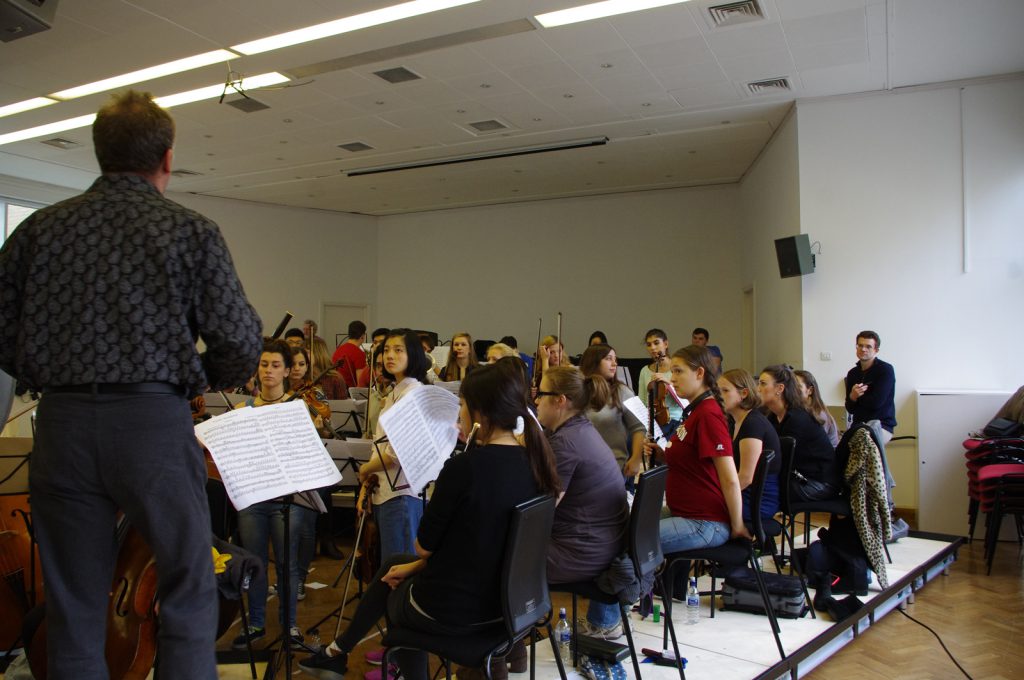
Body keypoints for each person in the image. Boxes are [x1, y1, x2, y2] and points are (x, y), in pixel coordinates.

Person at [0, 90, 262, 680]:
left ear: (99, 153)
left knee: (73, 601)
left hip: (63, 426)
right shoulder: (189, 232)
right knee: (190, 581)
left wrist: (44, 375)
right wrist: (194, 381)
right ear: (166, 159)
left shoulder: (41, 230)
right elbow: (240, 342)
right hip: (151, 426)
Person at [299, 359, 560, 680]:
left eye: (462, 405)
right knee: (396, 564)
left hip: (459, 611)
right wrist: (413, 567)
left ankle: (340, 653)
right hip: (511, 607)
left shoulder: (464, 468)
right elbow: (476, 546)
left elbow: (424, 547)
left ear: (480, 412)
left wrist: (420, 557)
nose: (458, 413)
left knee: (394, 593)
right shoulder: (536, 463)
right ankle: (336, 652)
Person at [234, 340, 318, 648]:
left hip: (287, 499)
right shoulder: (244, 409)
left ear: (286, 371)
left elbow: (306, 453)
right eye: (264, 365)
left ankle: (290, 626)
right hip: (253, 499)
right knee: (254, 562)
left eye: (275, 365)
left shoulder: (297, 408)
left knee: (287, 564)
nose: (268, 371)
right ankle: (256, 623)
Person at [537, 366, 629, 640]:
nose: (536, 401)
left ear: (560, 400)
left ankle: (505, 647)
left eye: (541, 394)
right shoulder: (580, 429)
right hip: (601, 543)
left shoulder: (565, 443)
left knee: (494, 556)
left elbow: (538, 514)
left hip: (585, 552)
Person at [646, 347, 750, 559]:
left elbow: (729, 478)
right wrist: (663, 456)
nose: (672, 378)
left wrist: (737, 525)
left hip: (704, 521)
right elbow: (693, 461)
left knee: (633, 540)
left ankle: (637, 590)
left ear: (700, 373)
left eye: (678, 371)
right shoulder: (696, 411)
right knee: (624, 528)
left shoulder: (708, 415)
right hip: (685, 510)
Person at [759, 365, 841, 503]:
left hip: (819, 484)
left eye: (763, 383)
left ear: (780, 389)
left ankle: (755, 523)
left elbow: (778, 459)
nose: (758, 388)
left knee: (761, 490)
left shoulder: (798, 418)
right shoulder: (773, 417)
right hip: (801, 478)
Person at [719, 369, 782, 521]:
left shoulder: (753, 423)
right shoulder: (735, 422)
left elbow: (746, 478)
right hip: (746, 493)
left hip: (758, 500)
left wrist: (717, 495)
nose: (718, 396)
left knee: (701, 509)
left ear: (744, 394)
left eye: (725, 391)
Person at [579, 344, 646, 481]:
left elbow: (639, 427)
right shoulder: (578, 391)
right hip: (581, 467)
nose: (614, 363)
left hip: (613, 467)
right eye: (609, 359)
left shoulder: (623, 391)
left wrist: (636, 459)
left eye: (615, 359)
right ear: (594, 362)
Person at [844, 330, 896, 444]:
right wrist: (853, 396)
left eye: (868, 346)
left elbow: (876, 403)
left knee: (863, 445)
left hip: (881, 425)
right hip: (859, 425)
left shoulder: (885, 370)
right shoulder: (852, 373)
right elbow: (850, 408)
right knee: (842, 448)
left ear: (876, 350)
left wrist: (857, 397)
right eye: (860, 345)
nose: (863, 349)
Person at [637, 328, 685, 436]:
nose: (652, 348)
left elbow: (686, 398)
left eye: (656, 343)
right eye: (649, 345)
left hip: (675, 421)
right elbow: (643, 402)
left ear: (666, 344)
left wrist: (669, 383)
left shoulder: (677, 368)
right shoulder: (645, 371)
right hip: (652, 424)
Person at [795, 369, 840, 447]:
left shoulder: (819, 415)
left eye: (798, 386)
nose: (793, 390)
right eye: (791, 387)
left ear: (810, 390)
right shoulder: (796, 411)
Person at [332, 320, 369, 388]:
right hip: (349, 393)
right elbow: (361, 383)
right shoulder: (358, 353)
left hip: (336, 390)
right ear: (363, 336)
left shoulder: (338, 350)